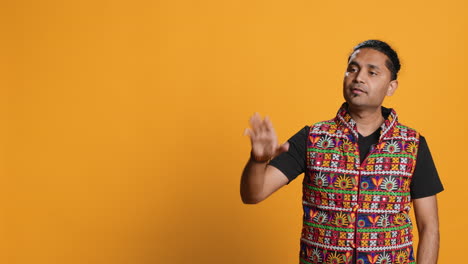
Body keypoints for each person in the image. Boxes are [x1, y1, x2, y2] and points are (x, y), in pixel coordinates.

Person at [240, 40, 444, 264]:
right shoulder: (312, 138)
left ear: (391, 87)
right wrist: (258, 160)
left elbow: (429, 228)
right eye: (352, 69)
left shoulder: (412, 145)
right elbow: (253, 194)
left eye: (372, 72)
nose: (358, 77)